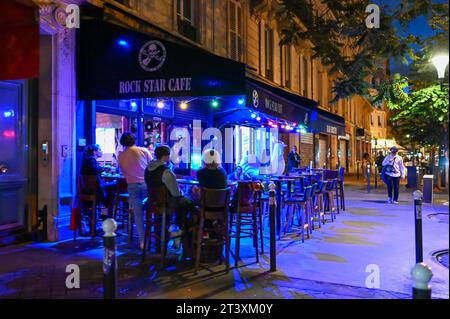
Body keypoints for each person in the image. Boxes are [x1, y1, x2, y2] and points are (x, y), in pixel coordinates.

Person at [145, 145, 195, 253]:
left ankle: (167, 237)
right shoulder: (166, 171)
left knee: (181, 206)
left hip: (152, 203)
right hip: (167, 204)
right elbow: (176, 194)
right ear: (166, 156)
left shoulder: (147, 169)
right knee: (190, 204)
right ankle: (181, 234)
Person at [118, 132, 152, 249]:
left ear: (122, 142)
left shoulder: (121, 155)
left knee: (138, 214)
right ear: (134, 139)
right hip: (147, 185)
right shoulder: (143, 150)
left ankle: (143, 241)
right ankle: (157, 235)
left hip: (132, 186)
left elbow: (123, 172)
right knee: (152, 209)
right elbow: (152, 167)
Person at [80, 144, 116, 217]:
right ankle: (109, 212)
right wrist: (104, 168)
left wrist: (102, 168)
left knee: (111, 186)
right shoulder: (91, 160)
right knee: (115, 184)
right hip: (95, 190)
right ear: (94, 152)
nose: (101, 152)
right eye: (99, 150)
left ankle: (106, 211)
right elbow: (94, 170)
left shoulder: (88, 160)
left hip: (89, 189)